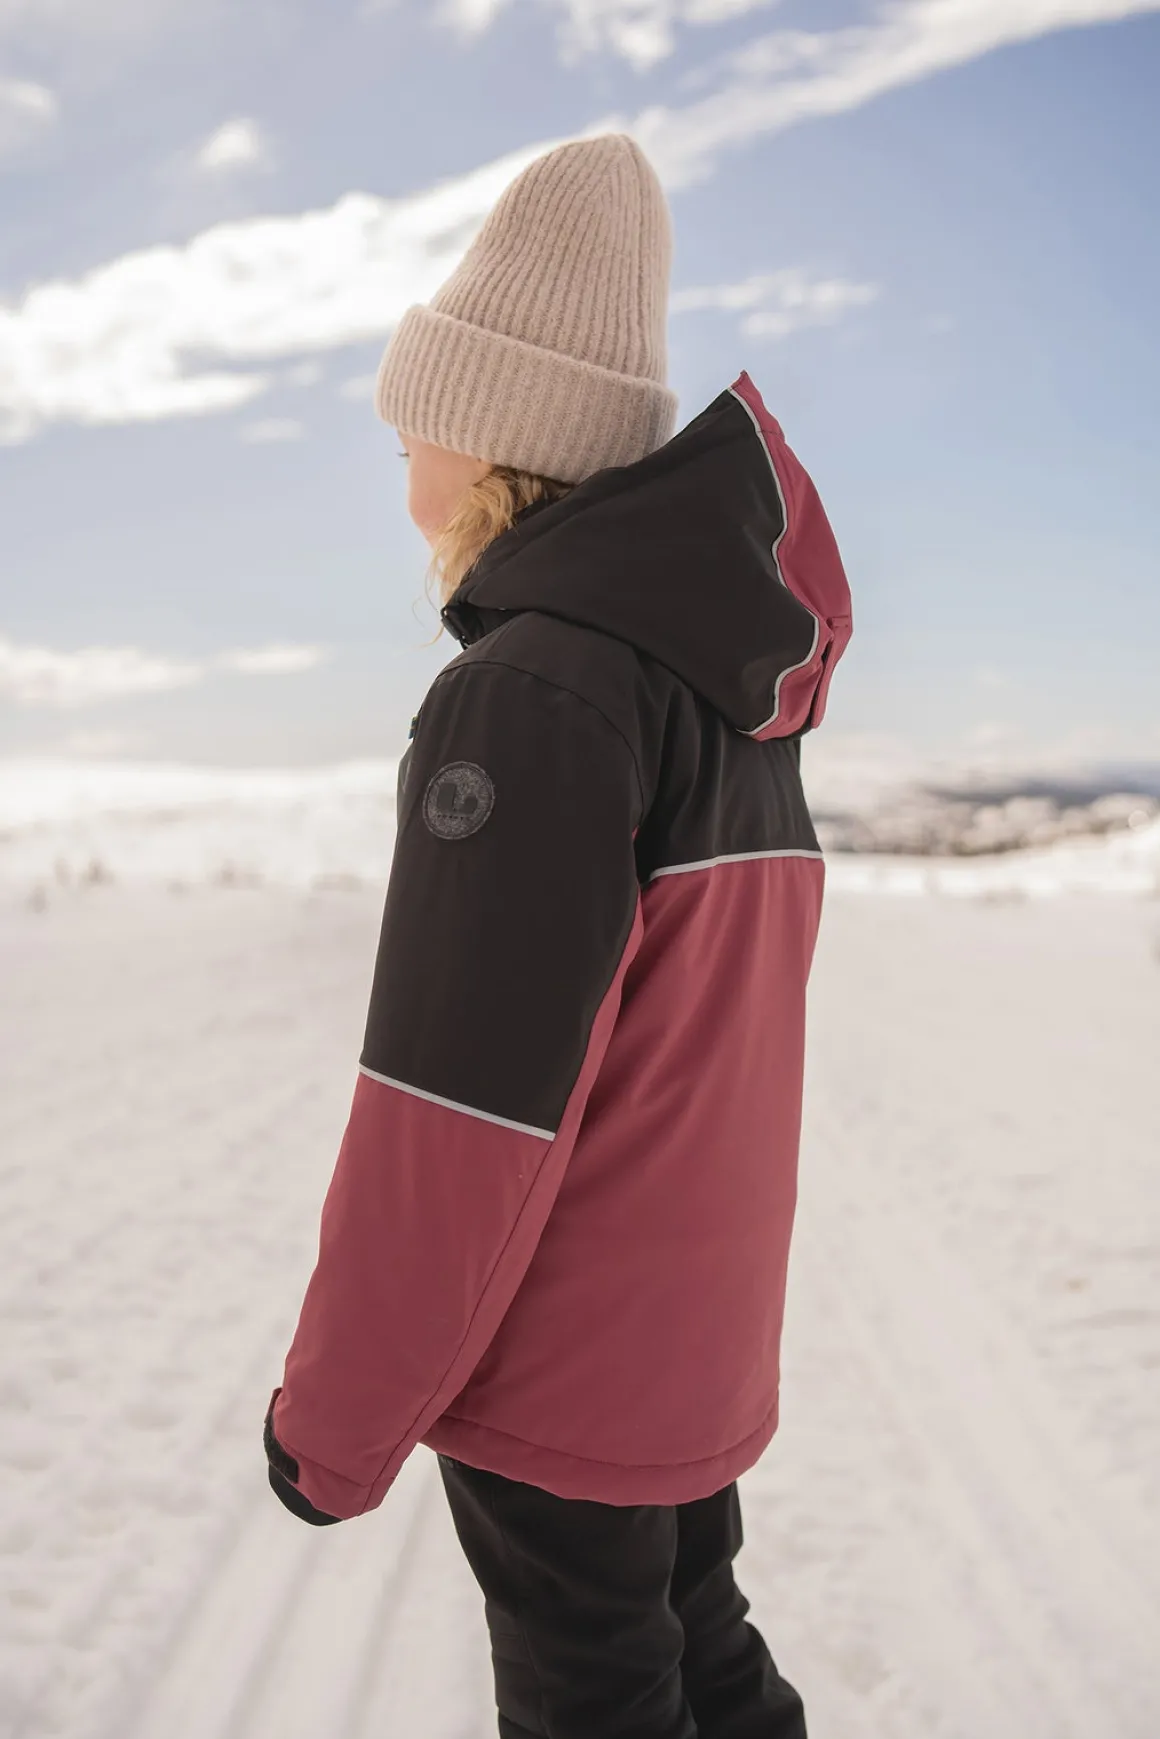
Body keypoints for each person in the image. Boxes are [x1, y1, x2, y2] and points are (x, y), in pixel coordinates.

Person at [263, 132, 852, 1738]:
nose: (398, 442)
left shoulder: (530, 691)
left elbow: (458, 1116)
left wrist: (334, 1423)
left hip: (565, 1369)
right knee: (700, 1655)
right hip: (687, 1349)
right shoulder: (717, 692)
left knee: (601, 1698)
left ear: (497, 437)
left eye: (419, 414)